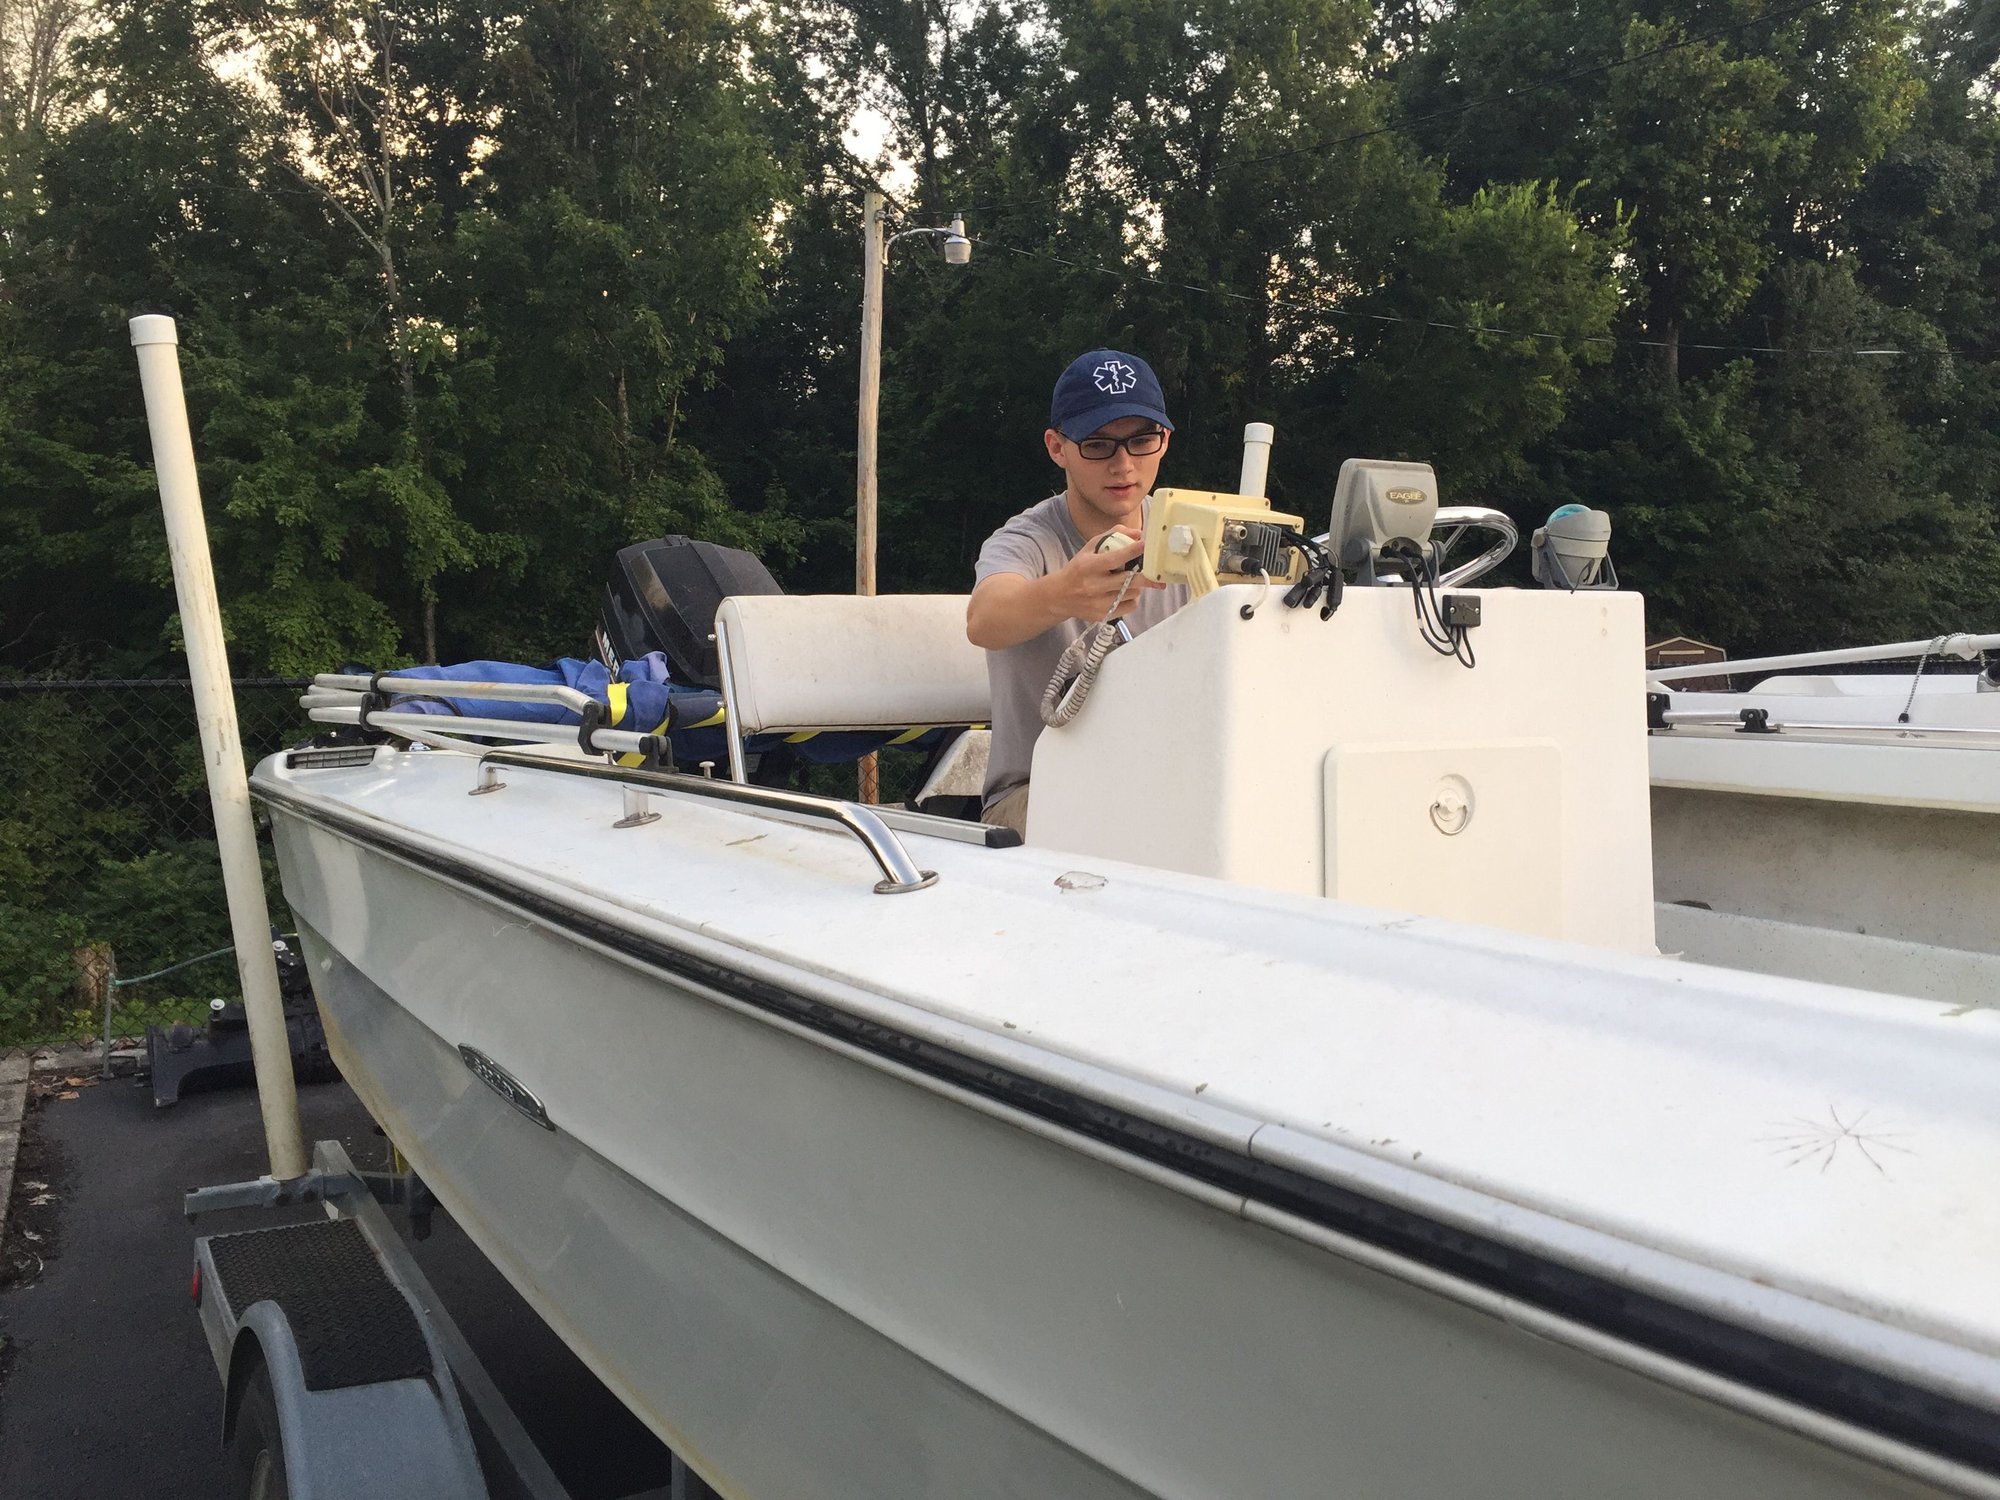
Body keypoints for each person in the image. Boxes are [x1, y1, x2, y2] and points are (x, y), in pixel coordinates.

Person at [966, 349, 1190, 836]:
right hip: (1036, 793)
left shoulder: (1195, 538)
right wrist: (1064, 592)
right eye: (1097, 444)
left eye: (1141, 440)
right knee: (1142, 831)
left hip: (1169, 784)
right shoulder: (1026, 540)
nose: (1123, 464)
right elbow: (984, 619)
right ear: (1057, 447)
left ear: (1165, 441)